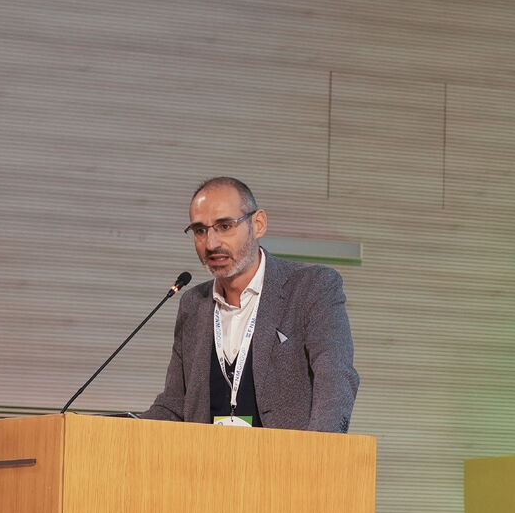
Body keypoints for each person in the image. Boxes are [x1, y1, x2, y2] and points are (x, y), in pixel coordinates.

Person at [142, 176, 359, 432]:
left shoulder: (311, 287)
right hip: (205, 467)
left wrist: (319, 456)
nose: (211, 244)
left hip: (287, 465)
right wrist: (118, 430)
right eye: (200, 230)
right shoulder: (193, 304)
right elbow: (174, 404)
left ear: (258, 224)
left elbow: (335, 379)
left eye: (224, 226)